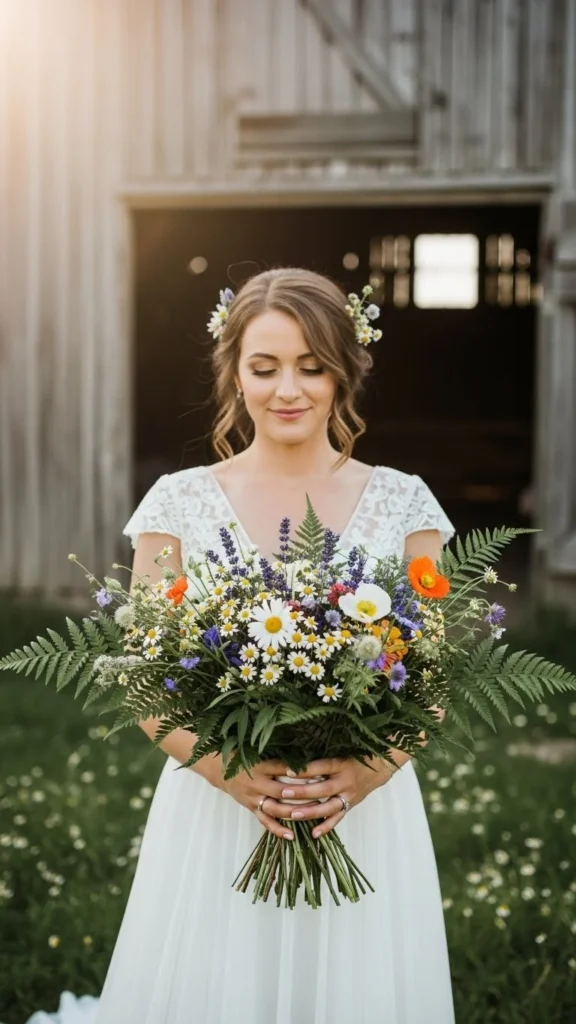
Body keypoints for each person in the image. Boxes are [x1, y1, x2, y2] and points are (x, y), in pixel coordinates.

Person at [38, 268, 456, 1023]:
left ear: (344, 372)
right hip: (219, 807)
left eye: (311, 366)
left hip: (360, 812)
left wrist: (364, 775)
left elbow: (435, 680)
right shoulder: (177, 504)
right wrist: (228, 776)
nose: (287, 389)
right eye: (264, 368)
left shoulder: (405, 504)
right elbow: (144, 684)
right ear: (235, 372)